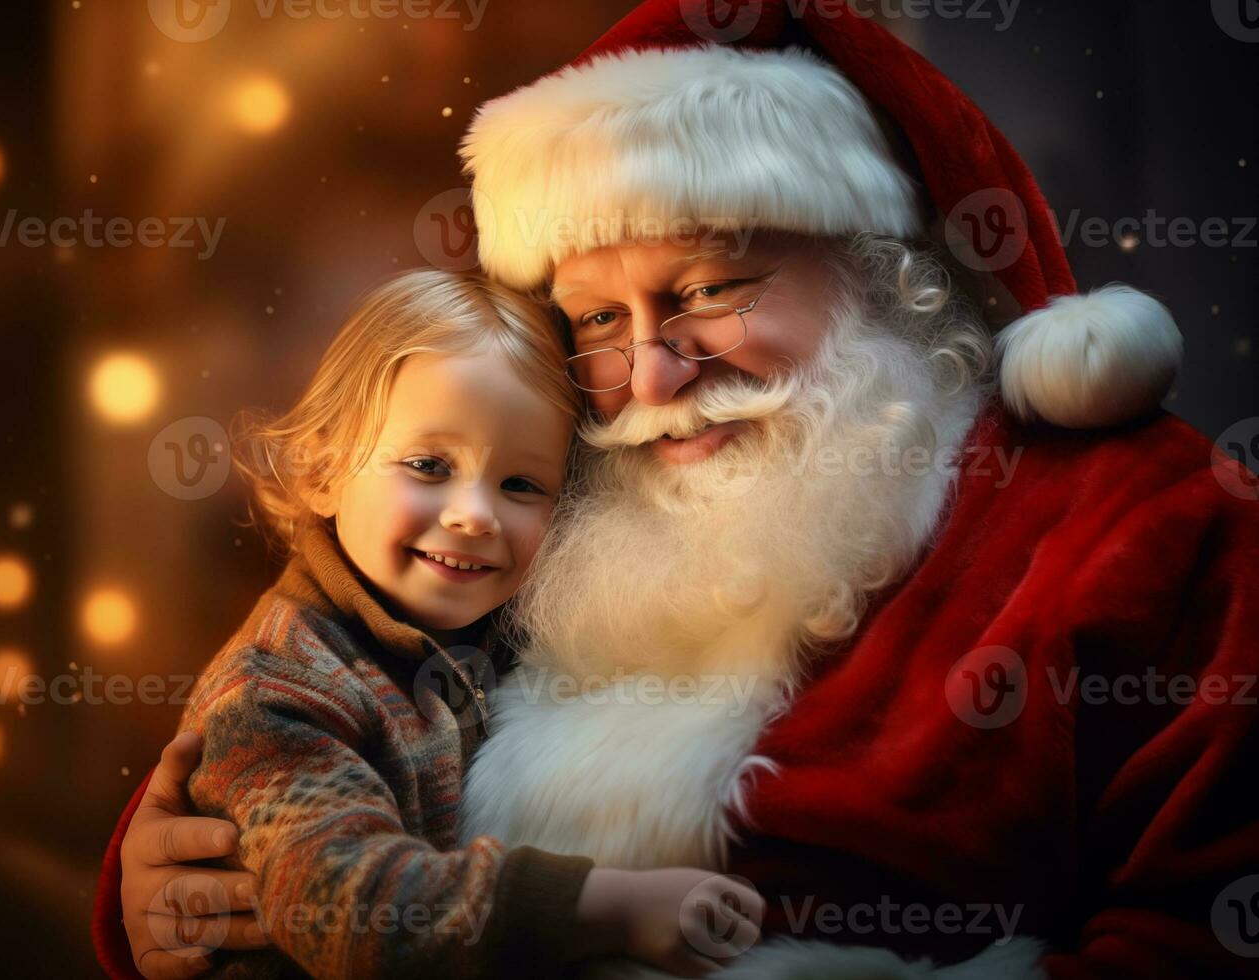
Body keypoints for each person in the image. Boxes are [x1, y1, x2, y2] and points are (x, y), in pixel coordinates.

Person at [96, 3, 1259, 978]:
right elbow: (293, 745)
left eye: (709, 288)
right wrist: (160, 885)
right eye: (599, 319)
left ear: (882, 274)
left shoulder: (1143, 526)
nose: (651, 375)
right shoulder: (539, 526)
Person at [117, 268, 765, 980]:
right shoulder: (276, 691)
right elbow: (351, 908)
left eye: (521, 484)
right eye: (429, 465)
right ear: (322, 470)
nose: (475, 515)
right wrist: (603, 905)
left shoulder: (496, 625)